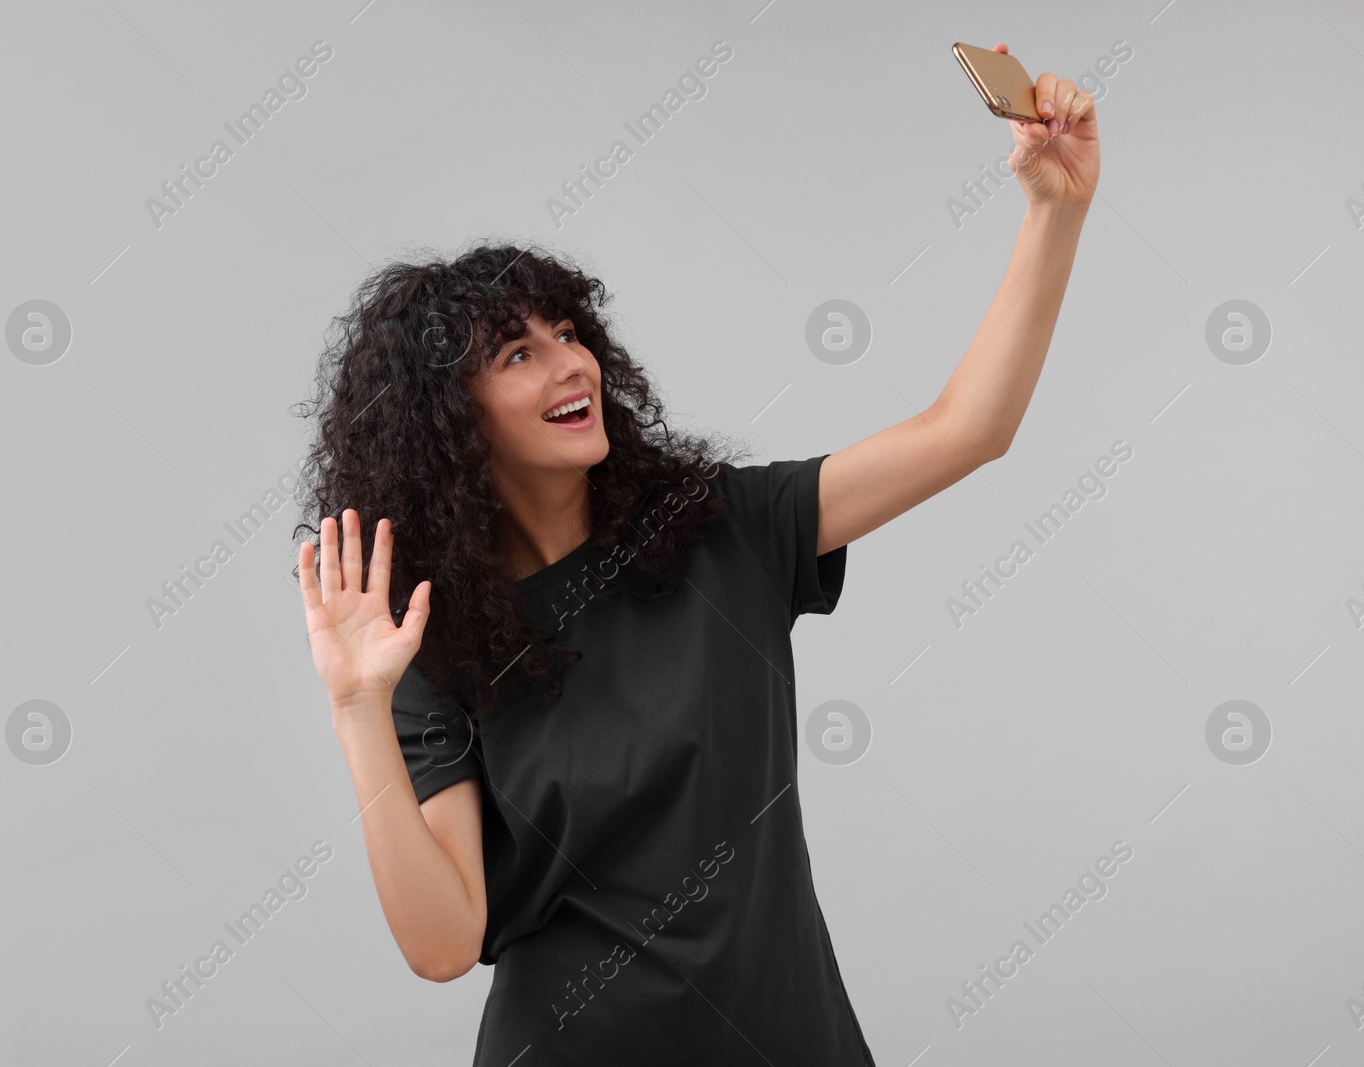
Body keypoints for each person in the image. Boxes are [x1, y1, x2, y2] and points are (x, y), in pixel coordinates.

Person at [293, 45, 1098, 1066]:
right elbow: (444, 942)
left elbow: (968, 428)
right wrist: (358, 705)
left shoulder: (726, 529)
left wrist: (1052, 211)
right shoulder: (433, 650)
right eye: (517, 352)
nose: (570, 359)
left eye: (567, 331)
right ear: (451, 422)